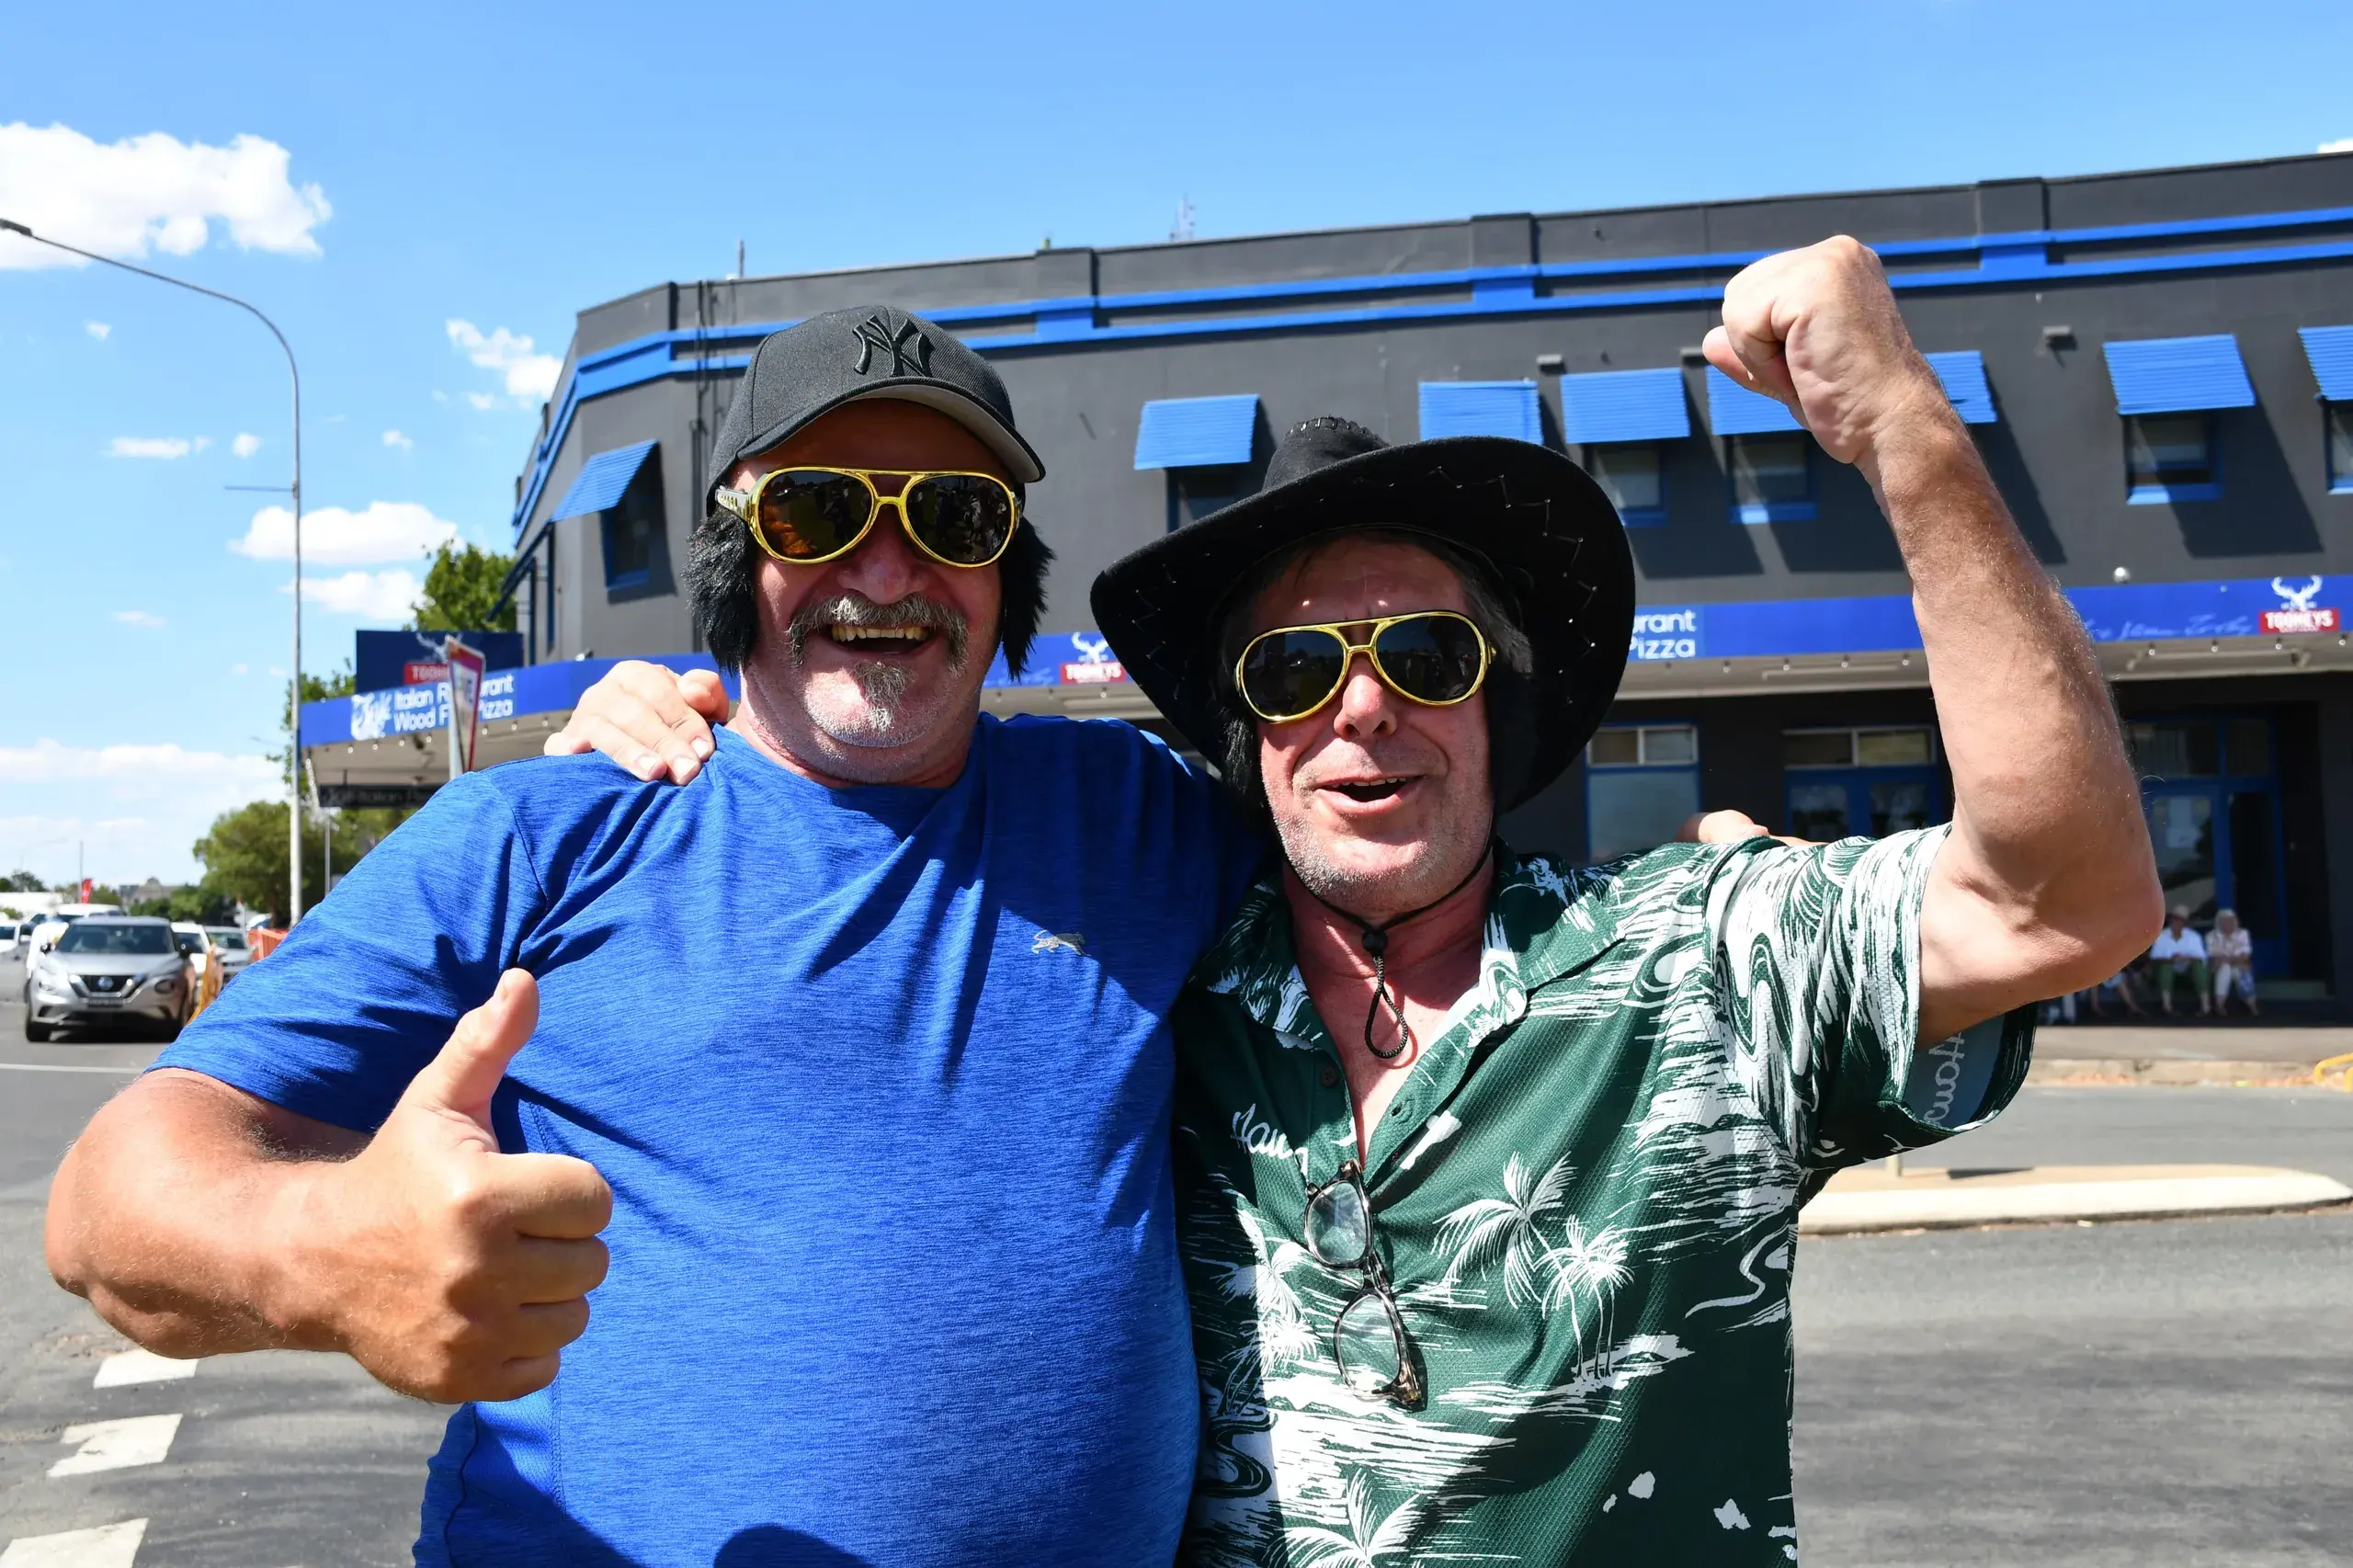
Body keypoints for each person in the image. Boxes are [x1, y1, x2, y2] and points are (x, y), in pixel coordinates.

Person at [557, 238, 2163, 1562]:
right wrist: (705, 735)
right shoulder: (1157, 986)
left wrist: (1905, 432)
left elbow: (2062, 903)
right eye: (1296, 669)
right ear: (1247, 738)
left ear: (1497, 706)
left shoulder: (1700, 963)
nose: (1363, 710)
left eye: (1426, 656)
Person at [45, 306, 1265, 1567]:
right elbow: (105, 1202)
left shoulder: (1137, 810)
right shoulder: (542, 833)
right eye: (818, 512)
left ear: (1009, 563)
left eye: (955, 517)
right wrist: (334, 1253)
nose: (889, 571)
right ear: (738, 554)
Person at [2148, 903, 2211, 1017]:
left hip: (2187, 967)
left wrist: (2185, 958)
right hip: (2165, 967)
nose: (2176, 923)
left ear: (2185, 922)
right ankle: (2167, 1006)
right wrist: (2171, 959)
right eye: (2175, 919)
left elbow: (2201, 957)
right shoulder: (2161, 935)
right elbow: (2154, 957)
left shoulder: (2193, 936)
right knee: (2166, 966)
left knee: (2198, 965)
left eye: (2180, 920)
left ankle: (2205, 1007)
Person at [2209, 907, 2257, 1016]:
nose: (2228, 923)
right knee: (2225, 971)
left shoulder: (2243, 933)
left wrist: (2227, 959)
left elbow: (2245, 954)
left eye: (2231, 920)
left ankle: (2252, 1005)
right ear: (2220, 922)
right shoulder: (2212, 936)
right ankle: (2219, 1005)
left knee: (2242, 970)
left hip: (2238, 964)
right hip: (2219, 966)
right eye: (2225, 921)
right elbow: (2214, 956)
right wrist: (2232, 959)